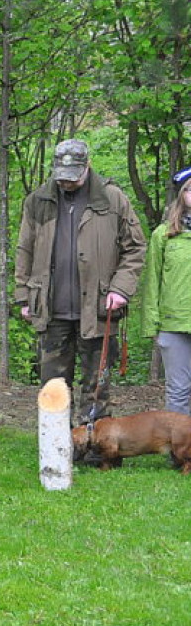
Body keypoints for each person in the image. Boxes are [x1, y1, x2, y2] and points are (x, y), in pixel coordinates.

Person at [15, 138, 146, 423]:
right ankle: (55, 446)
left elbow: (135, 248)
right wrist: (24, 296)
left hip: (100, 310)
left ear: (87, 167)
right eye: (62, 178)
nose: (67, 183)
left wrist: (121, 288)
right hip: (51, 310)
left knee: (97, 386)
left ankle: (94, 447)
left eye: (73, 177)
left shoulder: (112, 198)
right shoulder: (37, 201)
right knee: (52, 386)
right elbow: (24, 249)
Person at [141, 166, 191, 414]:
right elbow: (152, 282)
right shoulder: (163, 235)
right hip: (173, 325)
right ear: (182, 195)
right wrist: (153, 325)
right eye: (190, 189)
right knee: (178, 390)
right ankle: (180, 451)